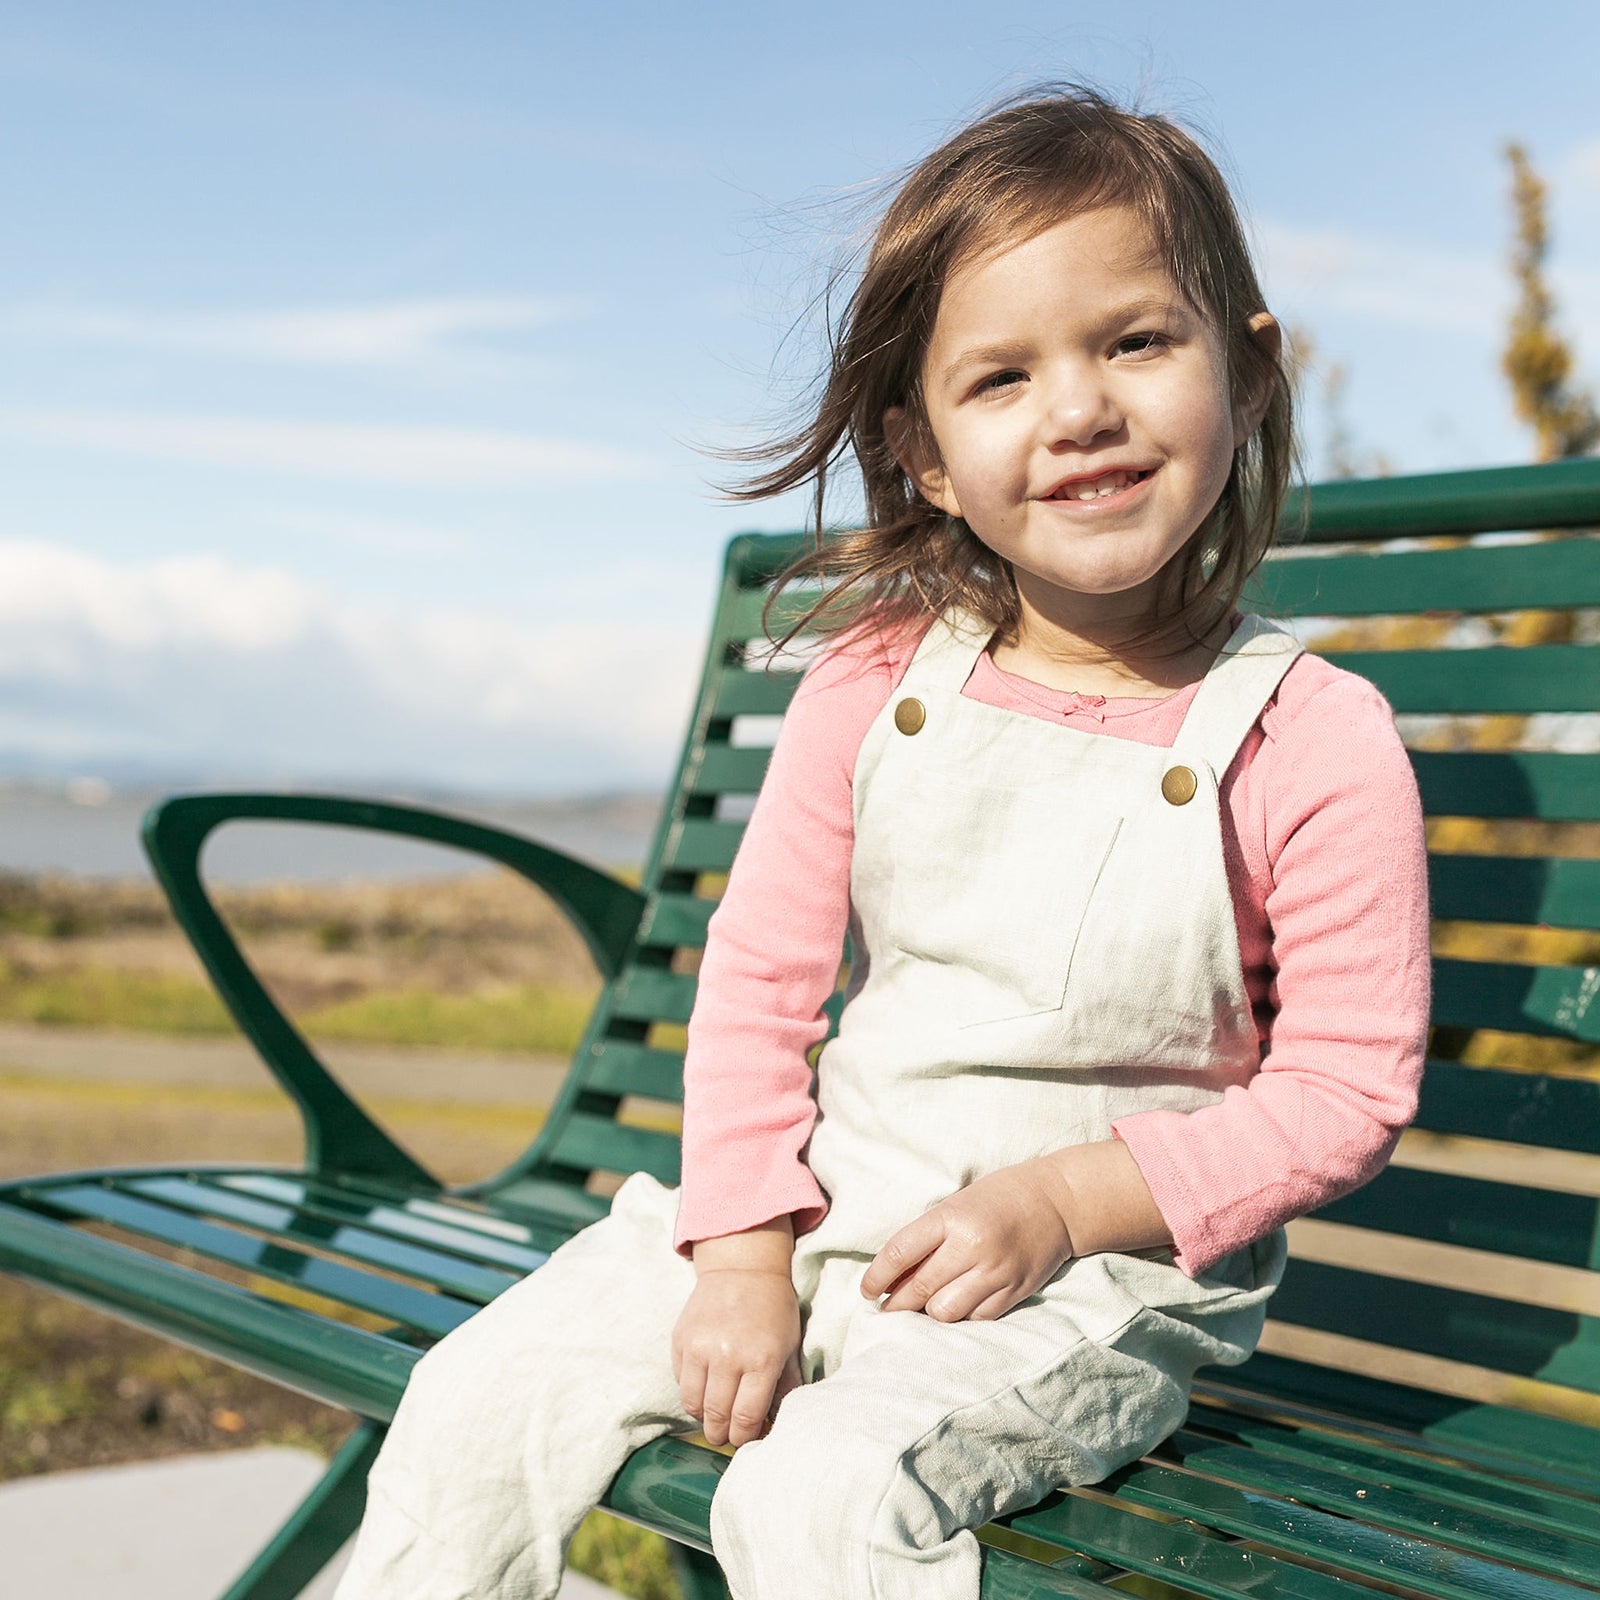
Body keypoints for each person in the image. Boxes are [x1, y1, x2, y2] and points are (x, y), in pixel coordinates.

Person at [334, 86, 1430, 1599]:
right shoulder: (872, 682)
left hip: (1086, 1285)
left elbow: (1346, 1088)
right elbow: (760, 985)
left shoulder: (1312, 736)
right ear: (924, 452)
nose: (1078, 409)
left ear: (1244, 377)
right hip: (816, 1207)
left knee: (814, 1506)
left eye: (1134, 341)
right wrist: (737, 1255)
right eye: (1001, 376)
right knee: (475, 1407)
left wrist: (1062, 1200)